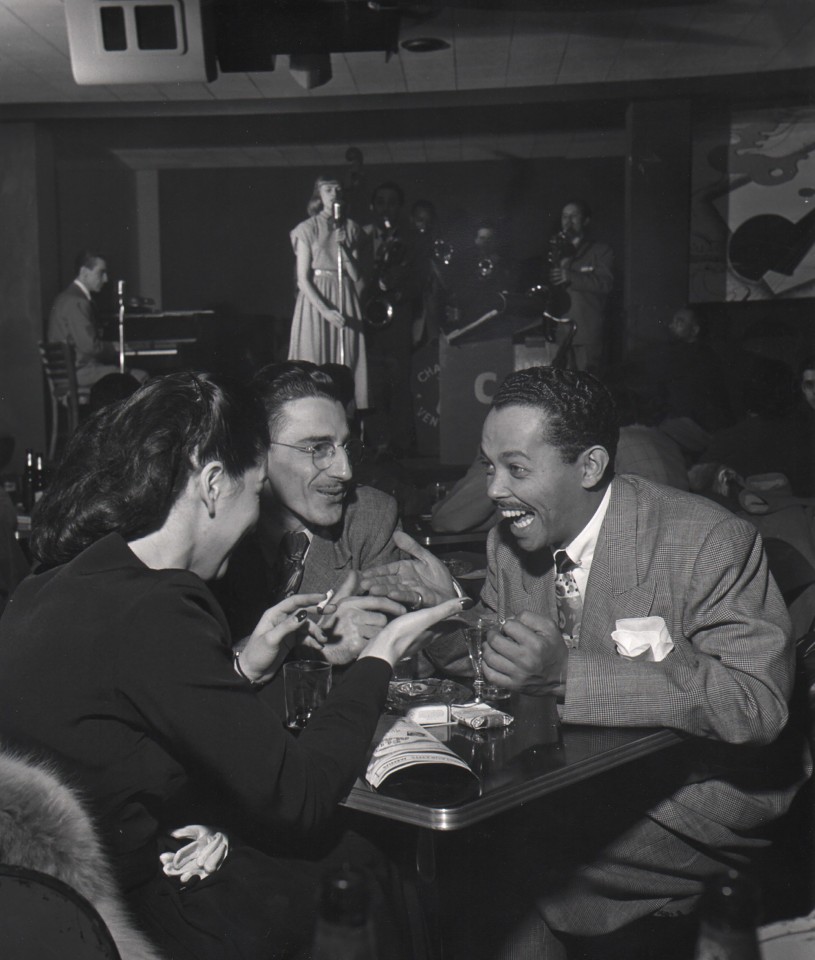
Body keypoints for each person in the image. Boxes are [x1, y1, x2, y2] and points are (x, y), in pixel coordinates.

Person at [0, 371, 464, 960]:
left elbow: (120, 729)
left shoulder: (57, 581)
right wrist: (379, 656)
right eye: (257, 490)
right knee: (370, 862)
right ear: (214, 484)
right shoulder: (160, 607)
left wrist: (245, 665)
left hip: (46, 904)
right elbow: (303, 798)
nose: (256, 513)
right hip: (122, 914)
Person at [361, 365, 805, 959]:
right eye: (490, 467)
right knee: (451, 854)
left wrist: (571, 675)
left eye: (516, 469)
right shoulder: (511, 543)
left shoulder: (706, 540)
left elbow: (757, 704)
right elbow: (499, 659)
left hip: (688, 807)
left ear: (590, 467)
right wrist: (441, 612)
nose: (493, 490)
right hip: (569, 788)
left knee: (490, 856)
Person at [211, 361, 407, 659]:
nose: (345, 471)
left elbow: (394, 657)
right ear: (258, 453)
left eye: (345, 447)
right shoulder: (213, 528)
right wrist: (301, 643)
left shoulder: (371, 518)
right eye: (318, 448)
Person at [288, 175, 368, 410]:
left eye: (337, 189)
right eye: (328, 190)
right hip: (317, 301)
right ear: (319, 196)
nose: (334, 193)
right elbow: (303, 279)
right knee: (315, 360)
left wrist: (343, 247)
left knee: (347, 360)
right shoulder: (307, 228)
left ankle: (348, 419)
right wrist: (326, 311)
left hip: (345, 295)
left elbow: (355, 276)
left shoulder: (351, 228)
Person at [361, 181, 421, 455]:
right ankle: (376, 444)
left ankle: (401, 448)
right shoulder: (360, 237)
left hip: (397, 321)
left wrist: (397, 290)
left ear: (400, 208)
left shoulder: (411, 239)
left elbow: (420, 281)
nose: (386, 208)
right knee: (372, 386)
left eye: (392, 202)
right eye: (381, 201)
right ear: (373, 207)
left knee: (399, 386)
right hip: (368, 323)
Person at [47, 250, 148, 388]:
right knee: (140, 377)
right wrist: (114, 347)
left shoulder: (66, 298)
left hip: (73, 371)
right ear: (84, 272)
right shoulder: (77, 301)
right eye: (101, 273)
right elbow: (90, 346)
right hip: (79, 372)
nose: (106, 279)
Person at [548, 200, 614, 373]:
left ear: (586, 221)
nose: (568, 221)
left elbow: (606, 284)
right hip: (562, 333)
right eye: (564, 216)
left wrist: (571, 277)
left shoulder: (600, 251)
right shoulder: (556, 250)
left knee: (587, 387)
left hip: (586, 333)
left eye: (574, 216)